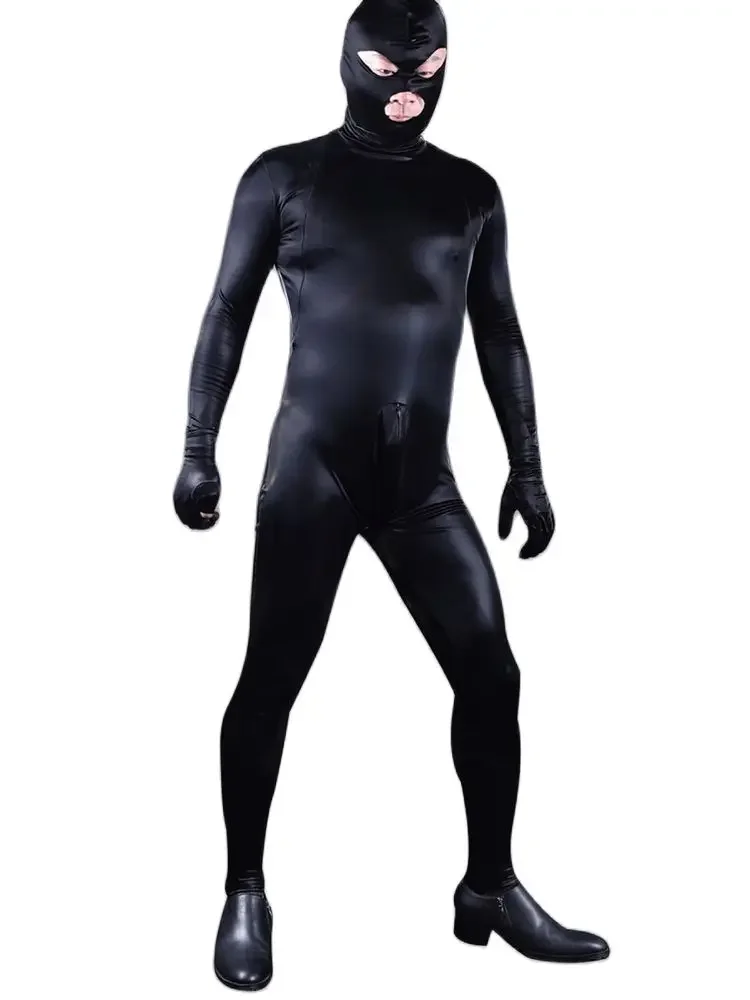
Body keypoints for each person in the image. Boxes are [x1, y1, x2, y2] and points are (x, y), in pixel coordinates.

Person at [174, 0, 609, 989]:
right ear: (349, 63)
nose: (407, 86)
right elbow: (226, 314)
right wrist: (199, 449)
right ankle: (244, 891)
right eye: (386, 69)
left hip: (422, 485)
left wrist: (529, 466)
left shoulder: (470, 192)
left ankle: (488, 889)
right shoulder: (284, 177)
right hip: (312, 473)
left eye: (427, 67)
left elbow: (500, 331)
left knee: (493, 677)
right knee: (271, 679)